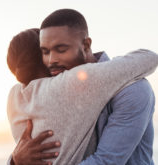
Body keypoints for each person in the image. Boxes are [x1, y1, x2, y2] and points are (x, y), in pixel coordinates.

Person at [9, 9, 157, 165]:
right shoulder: (56, 92)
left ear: (86, 45)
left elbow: (106, 161)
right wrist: (15, 160)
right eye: (45, 52)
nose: (51, 60)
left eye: (61, 49)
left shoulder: (133, 89)